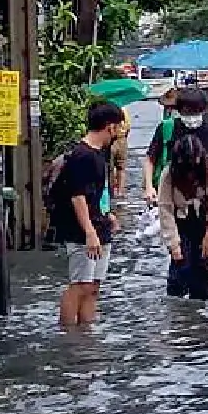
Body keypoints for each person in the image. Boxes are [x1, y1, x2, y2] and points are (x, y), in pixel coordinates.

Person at [55, 101, 124, 328]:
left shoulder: (100, 154)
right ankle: (68, 335)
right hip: (82, 230)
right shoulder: (82, 155)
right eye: (119, 126)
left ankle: (86, 333)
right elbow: (77, 196)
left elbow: (97, 192)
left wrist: (107, 214)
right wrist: (89, 232)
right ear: (109, 127)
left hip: (99, 224)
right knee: (80, 284)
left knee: (93, 286)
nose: (121, 131)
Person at [158, 128, 208, 300]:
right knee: (178, 275)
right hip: (181, 222)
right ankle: (179, 320)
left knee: (202, 272)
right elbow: (165, 209)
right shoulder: (169, 173)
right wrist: (173, 244)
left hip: (204, 222)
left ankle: (201, 319)